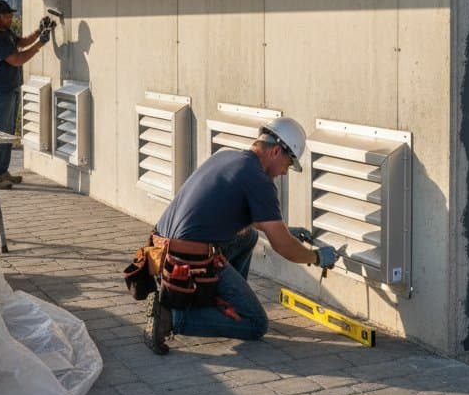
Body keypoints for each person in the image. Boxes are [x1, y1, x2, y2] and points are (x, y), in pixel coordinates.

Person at [143, 116, 339, 354]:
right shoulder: (259, 180)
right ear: (276, 151)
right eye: (288, 164)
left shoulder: (226, 157)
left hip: (159, 251)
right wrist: (316, 257)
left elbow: (241, 215)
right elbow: (283, 246)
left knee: (248, 237)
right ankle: (172, 317)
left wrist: (285, 231)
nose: (285, 173)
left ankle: (222, 302)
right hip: (185, 259)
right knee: (256, 324)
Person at [0, 0, 50, 187]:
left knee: (8, 133)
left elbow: (20, 42)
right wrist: (39, 44)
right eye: (7, 16)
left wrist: (38, 31)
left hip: (9, 88)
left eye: (10, 15)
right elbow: (17, 59)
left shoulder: (5, 32)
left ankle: (2, 172)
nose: (11, 18)